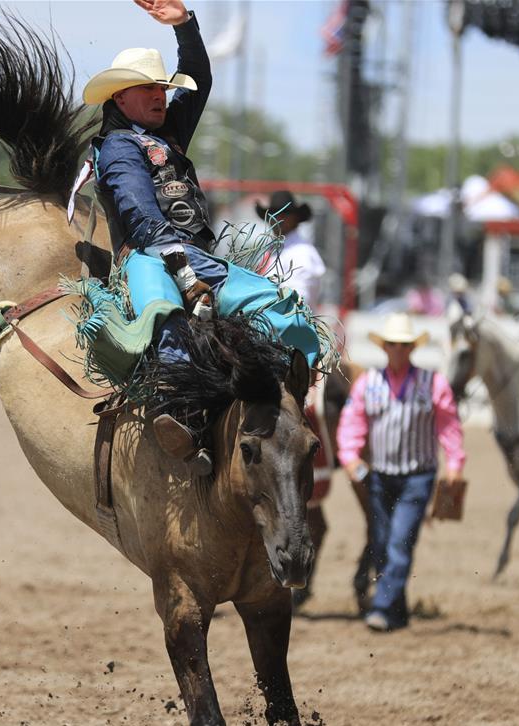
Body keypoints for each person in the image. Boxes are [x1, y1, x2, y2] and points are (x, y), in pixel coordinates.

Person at [82, 0, 323, 476]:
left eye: (160, 88)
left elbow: (199, 78)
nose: (158, 95)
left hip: (199, 255)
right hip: (147, 257)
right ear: (120, 99)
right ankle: (180, 413)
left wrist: (186, 26)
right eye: (146, 88)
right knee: (164, 314)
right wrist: (183, 268)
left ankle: (279, 397)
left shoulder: (167, 132)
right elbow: (139, 212)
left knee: (273, 304)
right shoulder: (117, 147)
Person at [336, 313, 466, 632]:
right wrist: (350, 457)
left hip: (418, 477)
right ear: (385, 347)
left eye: (403, 345)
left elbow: (449, 425)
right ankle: (398, 610)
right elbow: (353, 422)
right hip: (379, 476)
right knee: (381, 543)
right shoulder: (369, 383)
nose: (397, 350)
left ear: (411, 348)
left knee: (399, 541)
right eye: (393, 345)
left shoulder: (433, 383)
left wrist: (455, 463)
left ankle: (381, 606)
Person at [256, 190, 326, 313]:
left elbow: (298, 300)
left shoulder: (302, 252)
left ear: (295, 218)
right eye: (273, 214)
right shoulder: (273, 249)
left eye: (284, 214)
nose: (278, 219)